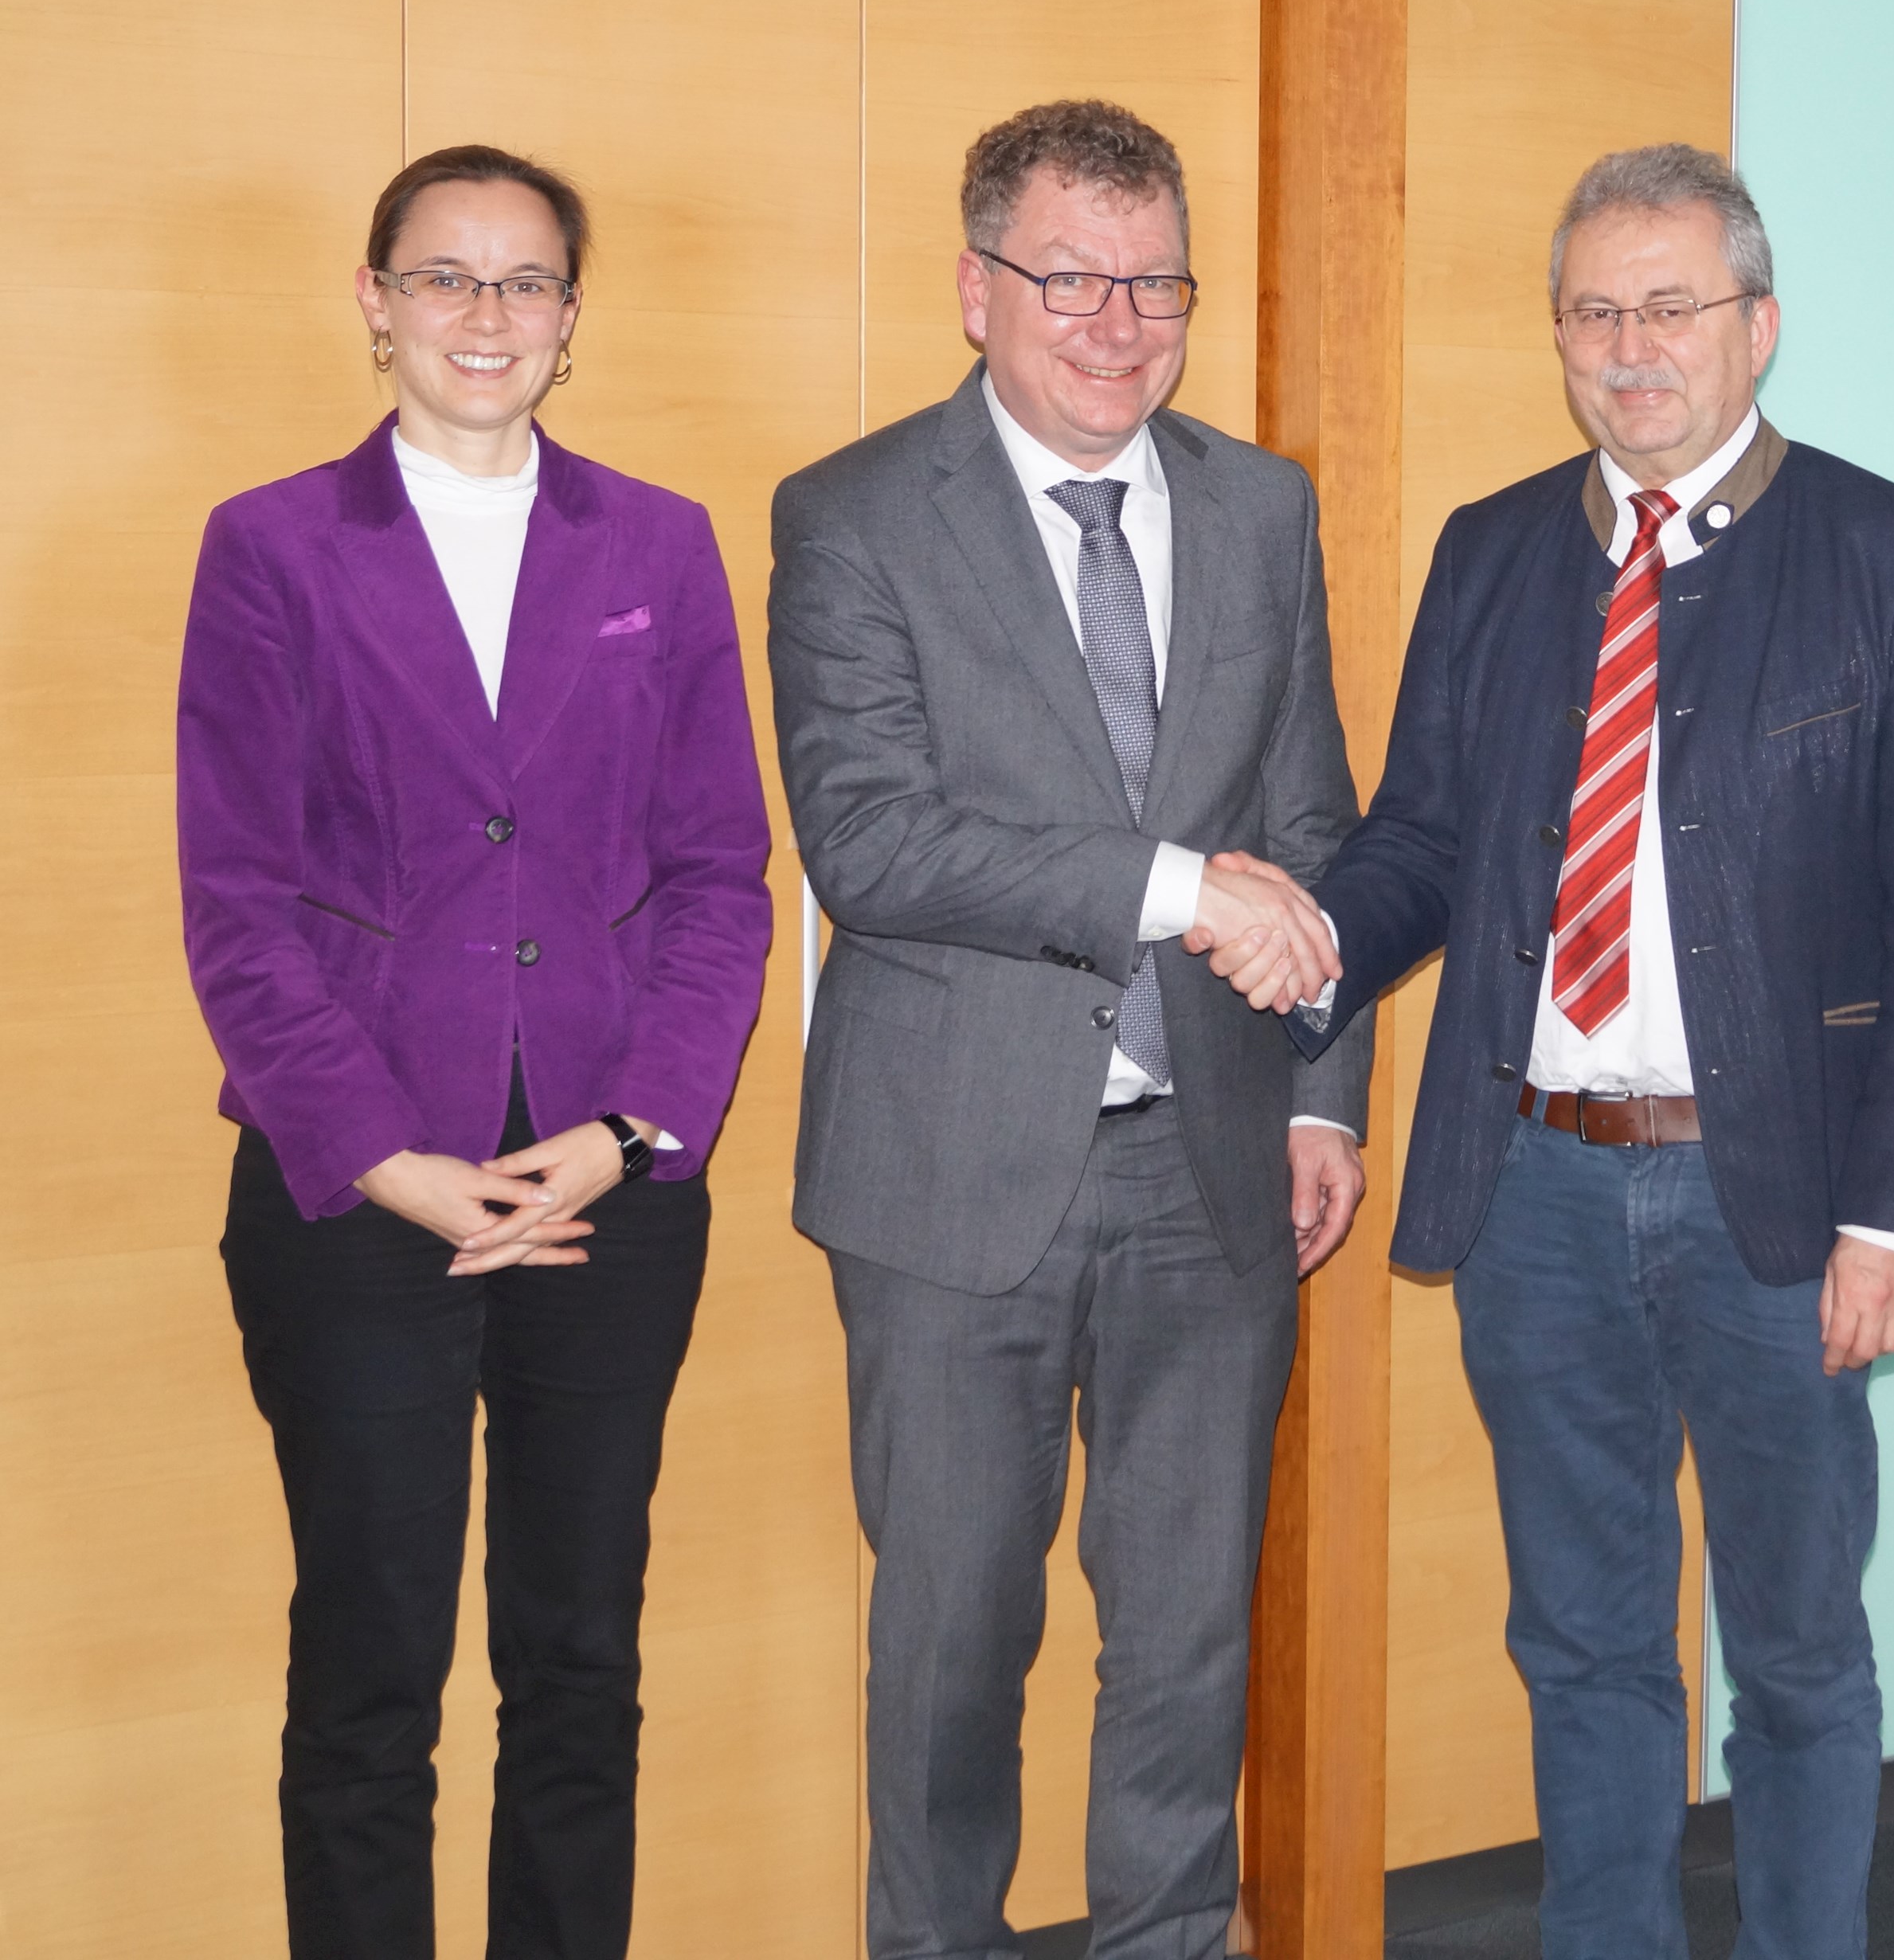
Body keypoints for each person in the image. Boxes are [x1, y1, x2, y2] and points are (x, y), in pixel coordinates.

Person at [1203, 142, 1894, 1957]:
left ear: (1757, 325)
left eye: (1669, 305)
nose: (1629, 345)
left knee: (1797, 1647)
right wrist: (1309, 936)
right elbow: (1416, 834)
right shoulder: (1494, 549)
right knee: (1579, 1640)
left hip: (1777, 1202)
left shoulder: (1889, 552)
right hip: (1535, 1190)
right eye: (1592, 310)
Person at [766, 98, 1371, 1960]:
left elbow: (1315, 822)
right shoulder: (854, 511)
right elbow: (868, 840)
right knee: (952, 1649)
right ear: (975, 287)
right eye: (1068, 279)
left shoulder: (1262, 504)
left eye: (1153, 283)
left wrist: (1324, 1106)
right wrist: (1177, 886)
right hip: (951, 1183)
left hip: (1214, 1177)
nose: (1115, 323)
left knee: (1187, 1649)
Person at [177, 144, 774, 1958]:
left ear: (573, 319)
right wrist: (385, 1159)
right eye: (446, 277)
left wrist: (629, 1125)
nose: (486, 315)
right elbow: (238, 903)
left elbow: (719, 879)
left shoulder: (656, 542)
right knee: (371, 1678)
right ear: (375, 303)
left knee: (579, 1665)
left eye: (525, 283)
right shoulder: (273, 543)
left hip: (608, 1192)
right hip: (359, 1196)